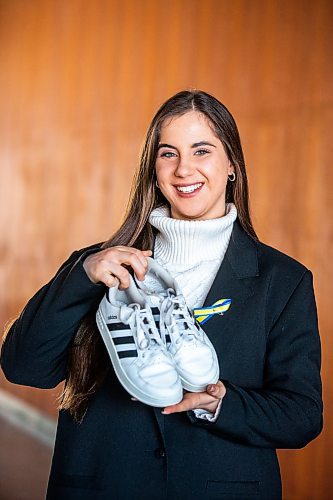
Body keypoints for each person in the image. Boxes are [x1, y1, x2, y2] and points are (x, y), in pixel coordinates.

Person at [1, 90, 322, 500]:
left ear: (231, 167)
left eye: (201, 150)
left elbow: (302, 414)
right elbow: (23, 367)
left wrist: (219, 402)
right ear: (153, 170)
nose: (184, 169)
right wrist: (82, 278)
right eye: (168, 154)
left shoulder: (283, 280)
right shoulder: (98, 266)